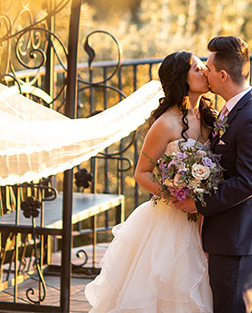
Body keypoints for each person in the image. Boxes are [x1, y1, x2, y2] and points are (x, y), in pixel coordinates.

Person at [84, 50, 218, 313]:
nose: (205, 72)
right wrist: (177, 197)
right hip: (171, 220)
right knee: (169, 291)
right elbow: (142, 173)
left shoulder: (210, 117)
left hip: (205, 217)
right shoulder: (165, 123)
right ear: (182, 79)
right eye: (197, 68)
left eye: (204, 67)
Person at [176, 35, 252, 313]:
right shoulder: (234, 109)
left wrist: (198, 204)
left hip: (239, 236)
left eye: (207, 68)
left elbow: (248, 182)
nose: (204, 72)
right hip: (232, 234)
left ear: (222, 75)